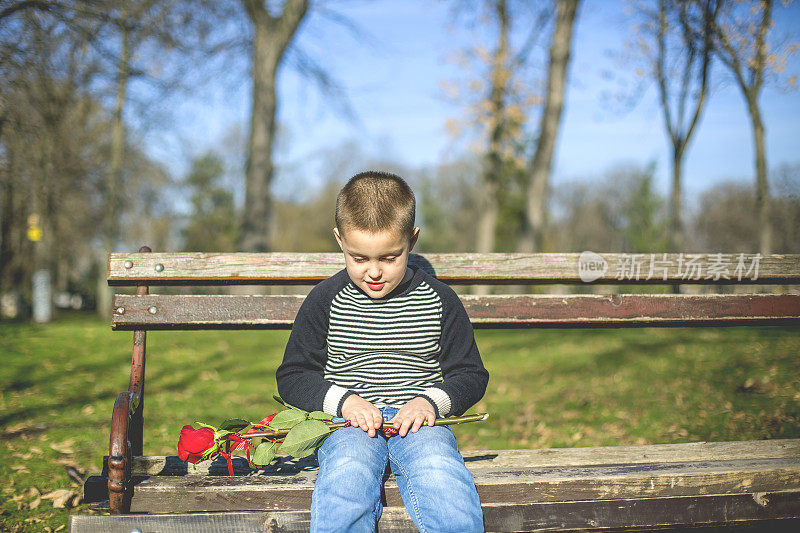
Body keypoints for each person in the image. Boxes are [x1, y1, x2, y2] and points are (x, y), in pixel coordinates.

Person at [276, 170, 489, 532]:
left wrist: (430, 403)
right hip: (348, 424)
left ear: (412, 240)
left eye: (390, 258)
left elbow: (470, 374)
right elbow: (293, 375)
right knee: (347, 475)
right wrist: (344, 402)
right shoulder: (326, 300)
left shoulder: (438, 299)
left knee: (440, 472)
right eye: (359, 258)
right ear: (339, 241)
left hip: (420, 423)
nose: (374, 272)